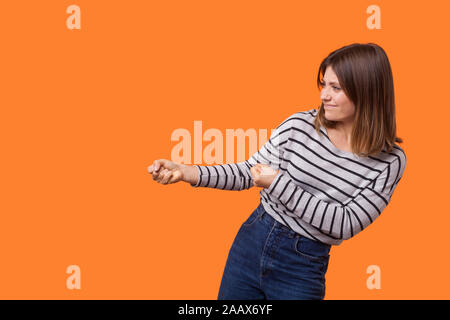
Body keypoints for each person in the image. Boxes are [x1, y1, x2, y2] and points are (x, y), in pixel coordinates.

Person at [147, 43, 407, 300]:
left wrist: (277, 183)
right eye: (324, 84)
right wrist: (186, 171)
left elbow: (344, 224)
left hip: (303, 264)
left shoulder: (389, 161)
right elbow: (249, 172)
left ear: (367, 91)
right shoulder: (300, 125)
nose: (324, 95)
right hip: (253, 239)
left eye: (336, 88)